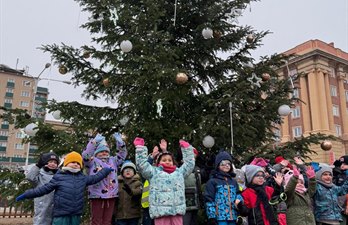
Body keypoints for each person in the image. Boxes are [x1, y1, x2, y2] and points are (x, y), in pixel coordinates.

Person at [16, 151, 113, 225]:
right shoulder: (59, 176)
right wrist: (27, 194)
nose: (75, 164)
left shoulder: (82, 178)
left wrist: (105, 171)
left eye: (78, 163)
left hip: (76, 213)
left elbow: (95, 178)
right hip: (61, 214)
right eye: (73, 162)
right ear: (66, 164)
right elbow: (44, 189)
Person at [134, 137, 195, 225]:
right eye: (164, 160)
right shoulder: (154, 173)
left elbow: (190, 164)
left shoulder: (179, 173)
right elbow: (142, 165)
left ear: (173, 162)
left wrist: (186, 148)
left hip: (176, 211)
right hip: (160, 212)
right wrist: (140, 148)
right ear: (158, 163)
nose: (167, 162)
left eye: (170, 160)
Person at [82, 133, 127, 225]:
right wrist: (94, 142)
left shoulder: (113, 161)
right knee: (96, 221)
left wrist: (120, 143)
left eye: (106, 151)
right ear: (96, 153)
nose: (104, 153)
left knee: (107, 221)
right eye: (101, 151)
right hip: (97, 195)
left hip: (111, 195)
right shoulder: (92, 162)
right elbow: (85, 155)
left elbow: (122, 155)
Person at [204, 151, 244, 225]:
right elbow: (209, 199)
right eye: (223, 163)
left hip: (233, 216)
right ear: (218, 165)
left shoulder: (233, 181)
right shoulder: (213, 181)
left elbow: (238, 194)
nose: (226, 165)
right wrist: (212, 217)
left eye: (229, 163)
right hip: (220, 217)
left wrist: (239, 201)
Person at [26, 151, 60, 225]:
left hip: (55, 205)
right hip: (42, 205)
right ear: (45, 163)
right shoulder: (40, 175)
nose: (53, 164)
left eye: (55, 162)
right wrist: (38, 166)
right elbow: (30, 177)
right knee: (41, 221)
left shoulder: (59, 176)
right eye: (50, 161)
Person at [115, 161, 142, 225]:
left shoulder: (137, 183)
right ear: (122, 172)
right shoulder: (117, 183)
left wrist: (131, 191)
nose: (128, 171)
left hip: (133, 215)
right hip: (120, 215)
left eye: (130, 170)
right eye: (126, 170)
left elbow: (139, 192)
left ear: (134, 172)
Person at [183, 148, 204, 225]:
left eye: (193, 156)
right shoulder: (180, 168)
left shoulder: (197, 169)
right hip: (184, 203)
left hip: (195, 202)